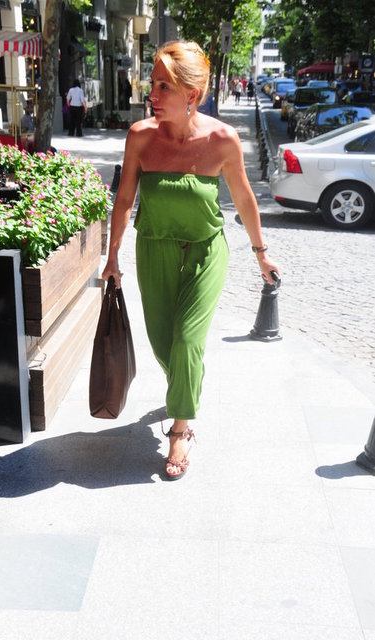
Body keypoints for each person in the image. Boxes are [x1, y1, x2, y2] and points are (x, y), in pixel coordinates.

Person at [102, 40, 280, 481]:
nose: (153, 95)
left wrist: (261, 254)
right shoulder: (141, 137)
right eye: (153, 84)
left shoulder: (222, 140)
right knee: (164, 345)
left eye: (164, 86)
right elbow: (124, 199)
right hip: (155, 250)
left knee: (185, 341)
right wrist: (112, 255)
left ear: (192, 95)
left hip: (205, 252)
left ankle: (181, 429)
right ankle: (186, 381)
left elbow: (244, 199)